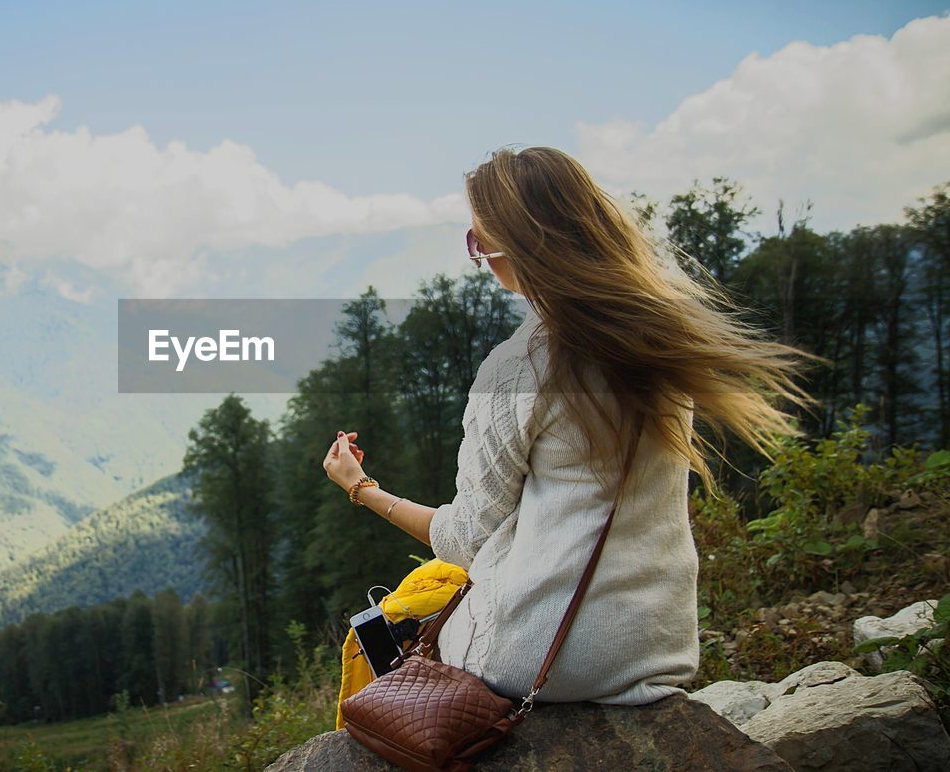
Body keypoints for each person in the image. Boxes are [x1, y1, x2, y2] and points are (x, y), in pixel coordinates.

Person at [322, 145, 820, 705]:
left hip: (542, 657)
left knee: (397, 630)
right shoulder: (663, 336)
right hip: (657, 647)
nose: (479, 253)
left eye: (478, 238)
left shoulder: (519, 369)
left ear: (517, 244)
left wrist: (361, 489)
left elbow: (463, 540)